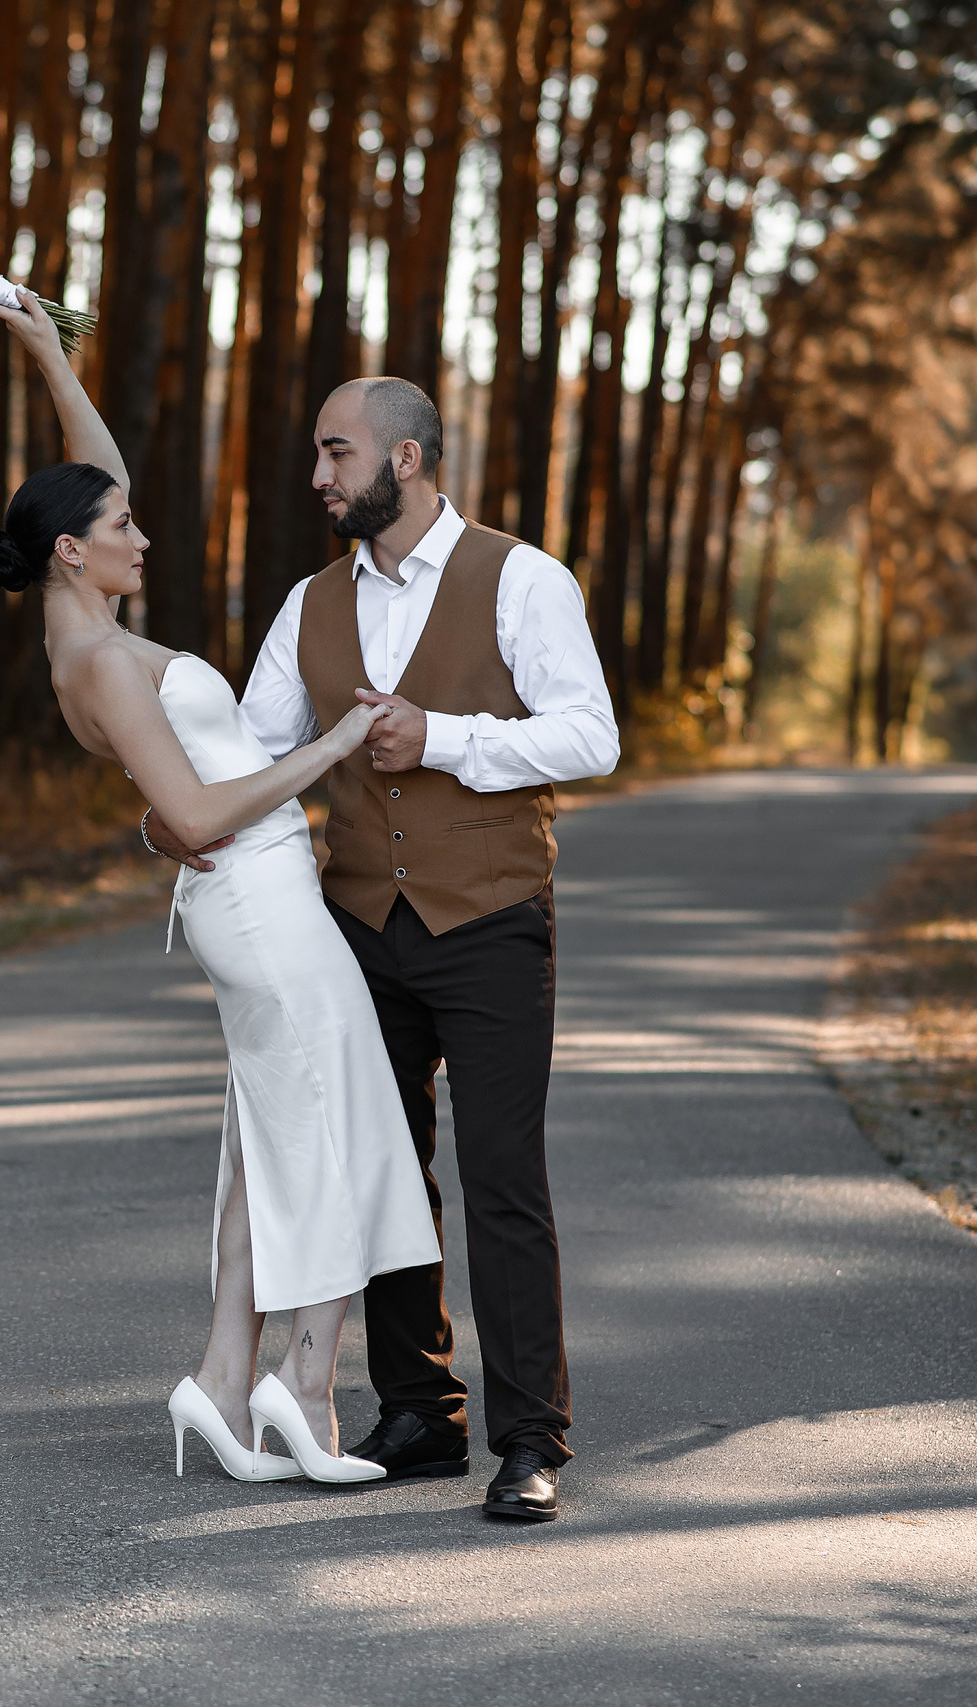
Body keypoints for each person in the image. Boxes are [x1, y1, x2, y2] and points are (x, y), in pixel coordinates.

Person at [0, 290, 440, 1487]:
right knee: (334, 1126)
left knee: (271, 1133)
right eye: (122, 526)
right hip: (259, 901)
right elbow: (189, 817)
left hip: (254, 898)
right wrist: (333, 746)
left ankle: (224, 1383)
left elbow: (96, 464)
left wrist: (40, 347)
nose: (143, 536)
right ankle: (307, 1384)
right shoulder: (102, 662)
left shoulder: (84, 631)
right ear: (73, 551)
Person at [144, 375, 620, 1522]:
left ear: (403, 460)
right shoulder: (308, 604)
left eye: (336, 453)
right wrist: (177, 814)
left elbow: (591, 735)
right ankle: (418, 1412)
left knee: (503, 1180)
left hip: (494, 918)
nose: (319, 475)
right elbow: (252, 754)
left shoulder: (519, 576)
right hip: (355, 927)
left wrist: (443, 737)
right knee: (380, 1170)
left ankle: (527, 1439)